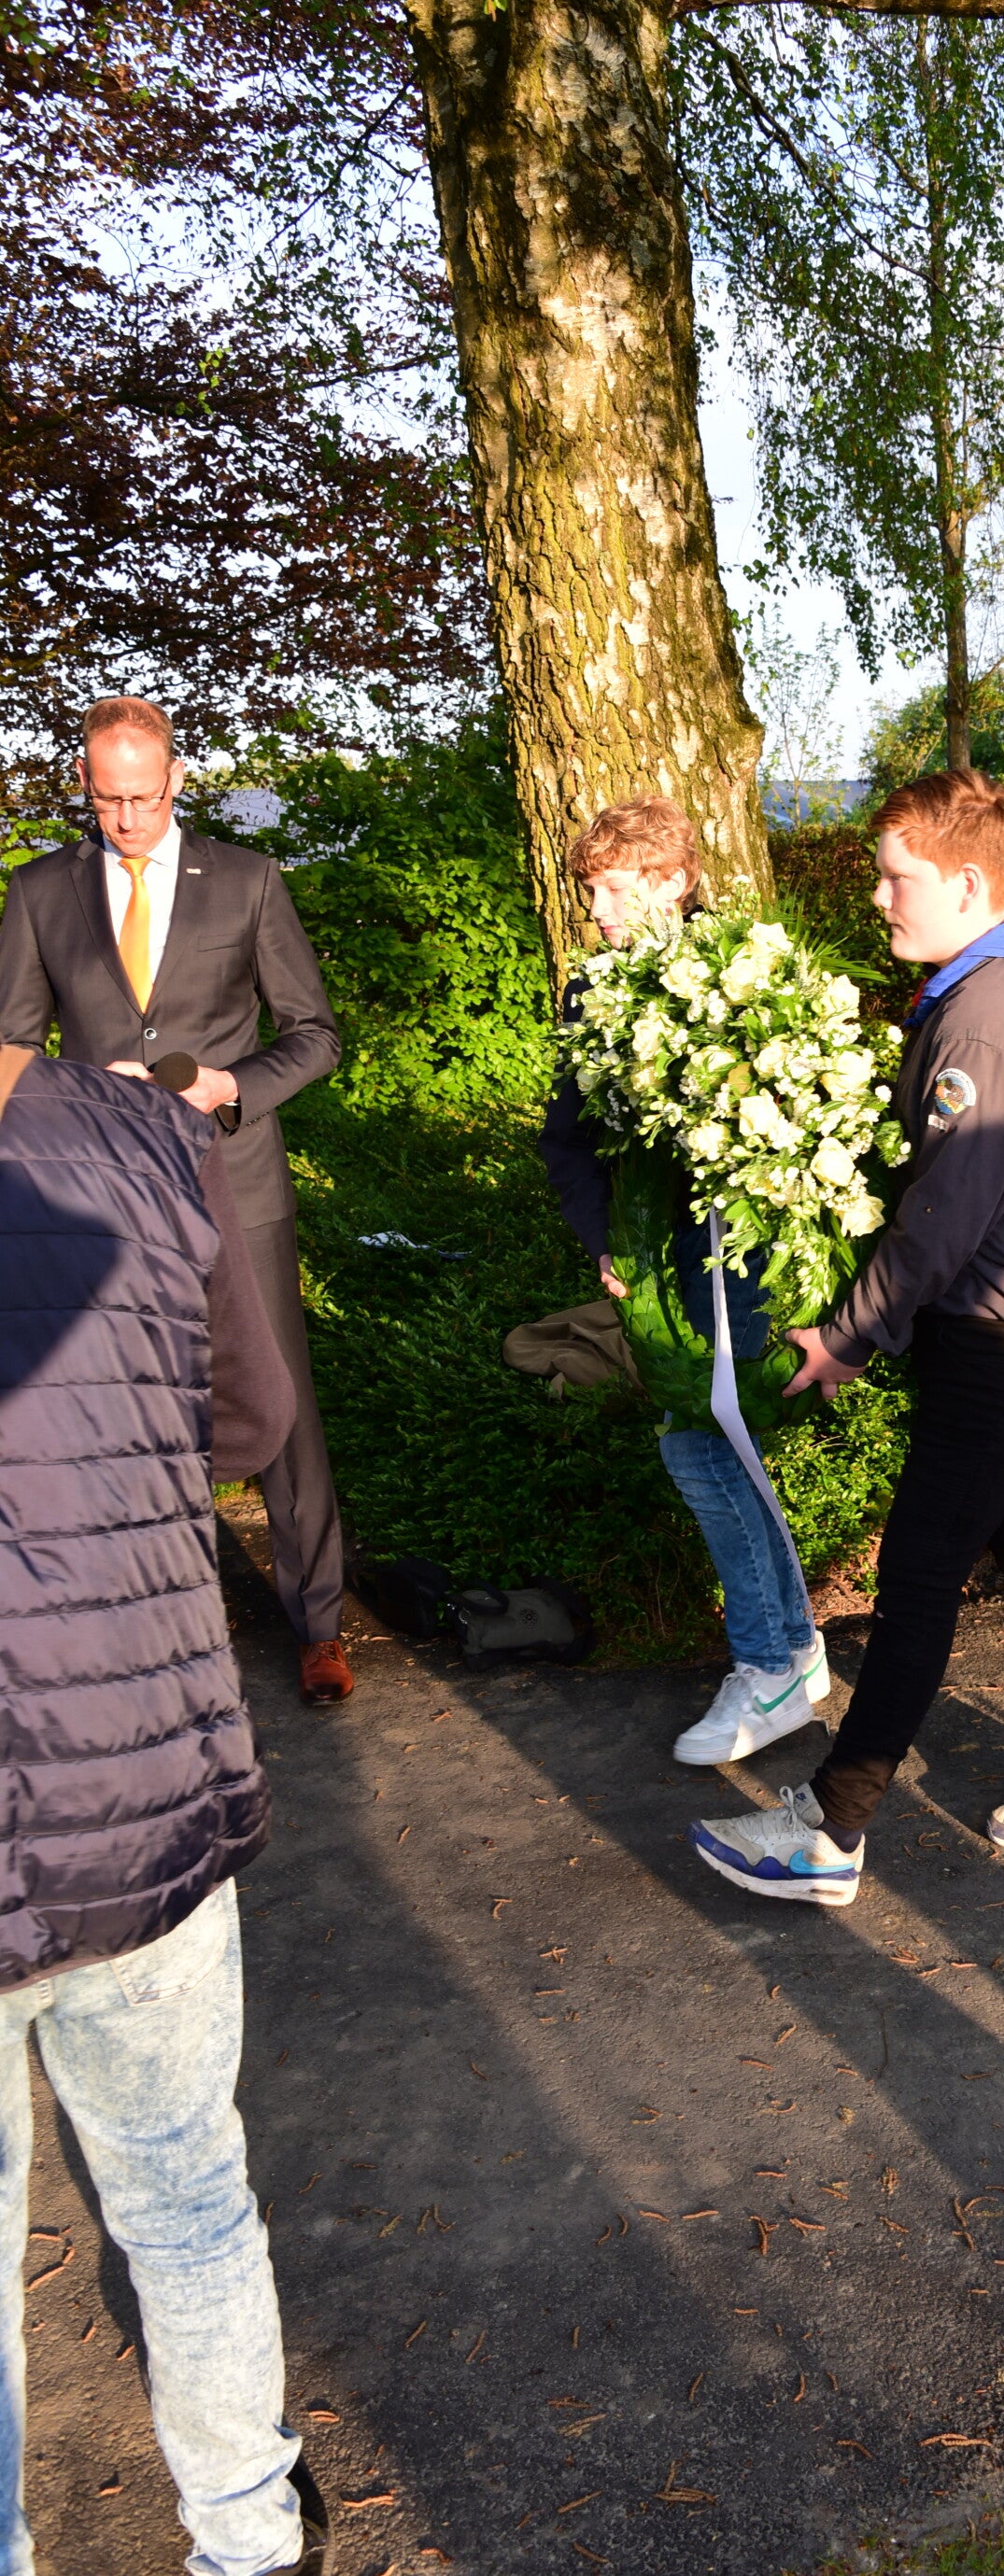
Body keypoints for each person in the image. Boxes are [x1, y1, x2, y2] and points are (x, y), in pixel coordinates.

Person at [688, 769, 1004, 1908]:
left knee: (916, 1579)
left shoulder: (988, 1016)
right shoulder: (993, 986)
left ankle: (829, 1828)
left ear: (968, 883)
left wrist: (850, 1334)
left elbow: (944, 1214)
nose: (879, 896)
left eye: (897, 876)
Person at [0, 1043, 328, 2576]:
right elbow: (250, 1417)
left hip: (108, 1780)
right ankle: (251, 2538)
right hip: (140, 1774)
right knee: (190, 2195)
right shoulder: (134, 1131)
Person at [0, 695, 356, 1707]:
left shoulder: (247, 881)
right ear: (83, 781)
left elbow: (315, 1036)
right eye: (108, 800)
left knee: (280, 1400)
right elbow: (11, 1049)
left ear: (177, 779)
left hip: (235, 1183)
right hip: (102, 1199)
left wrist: (229, 1085)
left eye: (145, 799)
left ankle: (319, 1624)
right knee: (123, 1413)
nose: (126, 819)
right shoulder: (38, 891)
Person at [539, 795, 830, 1762]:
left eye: (613, 890)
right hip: (653, 1262)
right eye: (591, 893)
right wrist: (606, 1242)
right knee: (714, 1450)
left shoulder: (750, 971)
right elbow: (568, 1139)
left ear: (673, 881)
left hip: (739, 1258)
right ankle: (791, 1649)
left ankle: (769, 1665)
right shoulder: (591, 990)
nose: (597, 913)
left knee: (708, 1450)